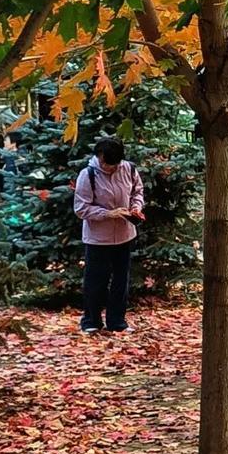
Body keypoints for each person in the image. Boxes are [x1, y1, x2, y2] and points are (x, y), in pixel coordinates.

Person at [74, 137, 145, 335]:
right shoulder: (87, 175)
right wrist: (108, 214)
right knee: (96, 280)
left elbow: (138, 192)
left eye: (114, 164)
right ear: (99, 157)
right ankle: (91, 321)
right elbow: (81, 209)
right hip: (97, 238)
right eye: (106, 163)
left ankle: (117, 322)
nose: (109, 168)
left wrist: (135, 208)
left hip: (124, 235)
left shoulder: (129, 169)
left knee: (121, 281)